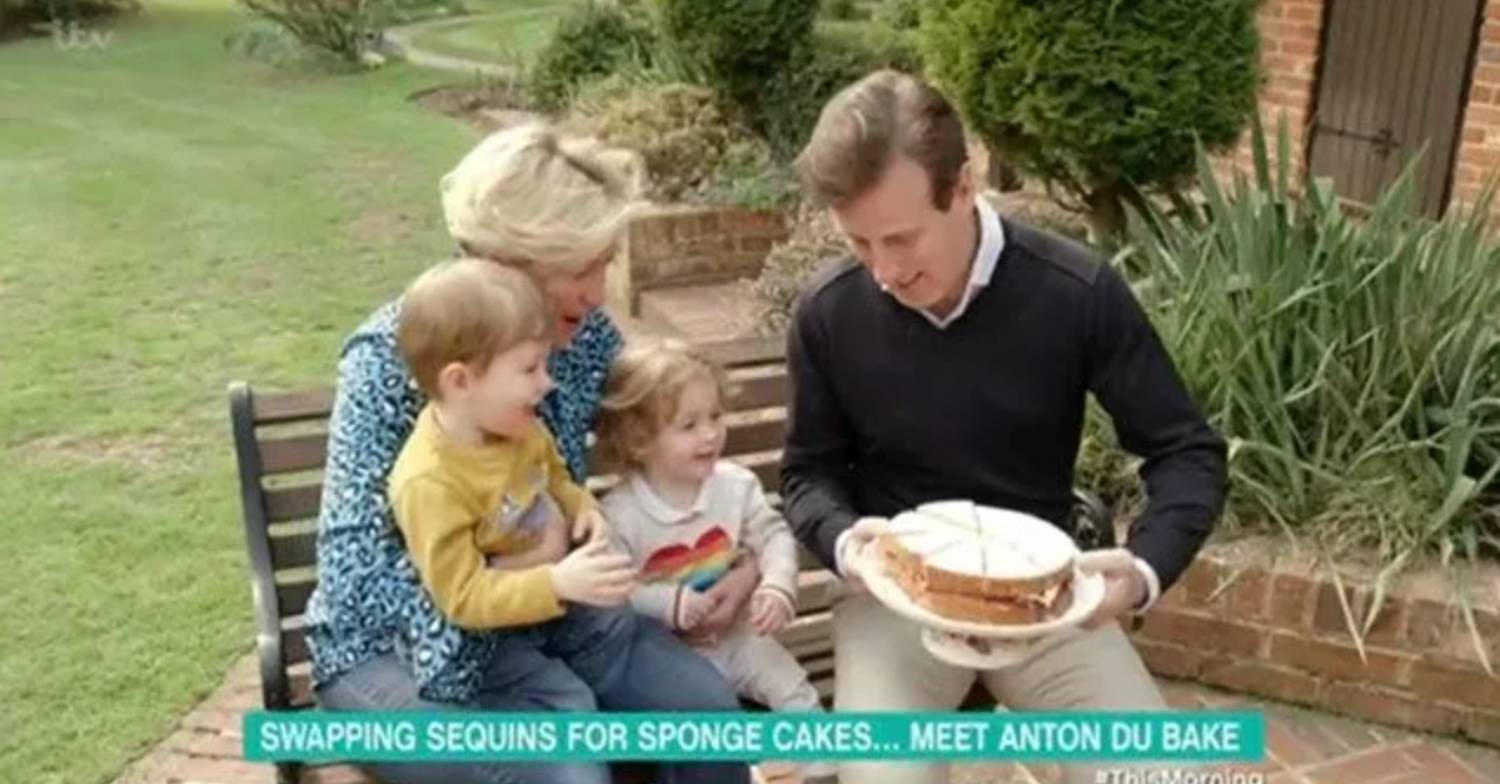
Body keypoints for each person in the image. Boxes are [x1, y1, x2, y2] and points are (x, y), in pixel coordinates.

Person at [780, 70, 1229, 784]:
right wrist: (843, 542)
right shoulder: (829, 313)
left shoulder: (1077, 293)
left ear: (965, 186)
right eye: (859, 243)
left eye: (901, 238)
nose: (884, 270)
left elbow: (1187, 451)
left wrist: (1140, 575)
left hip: (1044, 607)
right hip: (894, 604)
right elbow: (808, 476)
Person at [304, 123, 756, 784]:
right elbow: (357, 575)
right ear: (502, 262)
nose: (600, 292)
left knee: (711, 724)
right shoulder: (391, 359)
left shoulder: (583, 338)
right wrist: (527, 570)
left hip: (557, 625)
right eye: (582, 267)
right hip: (400, 657)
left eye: (606, 263)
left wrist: (734, 560)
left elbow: (656, 433)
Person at [595, 338, 837, 783]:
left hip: (739, 637)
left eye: (715, 417)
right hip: (671, 658)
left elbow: (773, 535)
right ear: (639, 440)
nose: (710, 434)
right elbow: (613, 590)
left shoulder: (735, 486)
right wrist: (666, 603)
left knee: (792, 688)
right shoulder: (621, 514)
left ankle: (820, 772)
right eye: (688, 425)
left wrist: (777, 584)